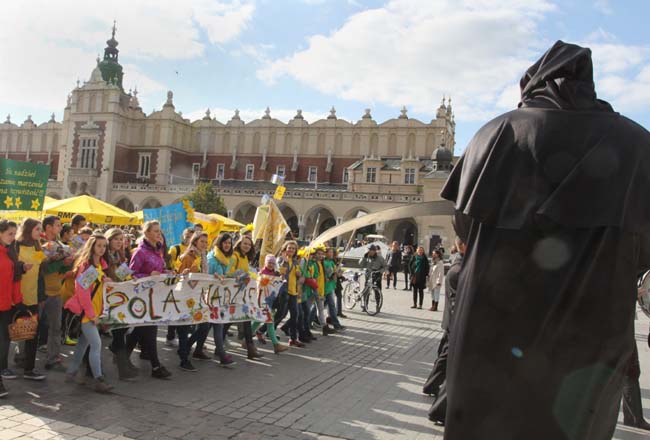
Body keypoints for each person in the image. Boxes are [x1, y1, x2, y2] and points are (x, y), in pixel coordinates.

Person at [439, 41, 650, 440]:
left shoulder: (496, 134)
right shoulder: (637, 144)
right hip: (590, 336)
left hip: (494, 326)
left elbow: (464, 227)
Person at [63, 234, 113, 393]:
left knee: (83, 344)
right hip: (88, 314)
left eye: (104, 246)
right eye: (99, 245)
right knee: (96, 345)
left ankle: (71, 373)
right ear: (92, 247)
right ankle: (99, 380)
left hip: (94, 312)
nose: (102, 248)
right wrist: (92, 315)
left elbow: (96, 287)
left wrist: (105, 280)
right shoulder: (88, 266)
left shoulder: (99, 266)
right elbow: (82, 292)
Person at [424, 237, 465, 424]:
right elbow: (457, 303)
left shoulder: (460, 266)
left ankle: (432, 389)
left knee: (446, 358)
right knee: (450, 362)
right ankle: (438, 408)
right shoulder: (460, 270)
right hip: (457, 325)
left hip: (454, 324)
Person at [126, 221, 171, 379]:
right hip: (142, 297)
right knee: (150, 329)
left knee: (141, 329)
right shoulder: (140, 252)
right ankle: (156, 366)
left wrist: (167, 272)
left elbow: (158, 271)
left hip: (155, 295)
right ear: (146, 233)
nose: (159, 234)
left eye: (160, 231)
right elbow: (130, 275)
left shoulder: (158, 251)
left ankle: (122, 354)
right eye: (156, 231)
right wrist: (148, 276)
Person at [175, 231, 214, 371]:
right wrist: (183, 273)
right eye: (202, 241)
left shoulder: (203, 257)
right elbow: (177, 274)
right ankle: (184, 359)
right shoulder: (188, 256)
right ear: (195, 241)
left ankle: (184, 348)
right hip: (185, 297)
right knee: (184, 328)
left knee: (204, 324)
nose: (204, 244)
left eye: (206, 241)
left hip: (198, 296)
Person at [14, 218, 46, 381]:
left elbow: (41, 273)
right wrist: (21, 268)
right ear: (28, 229)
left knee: (32, 335)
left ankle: (29, 369)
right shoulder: (16, 246)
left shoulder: (38, 247)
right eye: (37, 229)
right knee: (12, 335)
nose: (39, 232)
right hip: (16, 299)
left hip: (33, 298)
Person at [104, 228, 138, 381]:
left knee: (121, 330)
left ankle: (122, 363)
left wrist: (133, 278)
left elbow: (123, 274)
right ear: (109, 240)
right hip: (105, 299)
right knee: (95, 338)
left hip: (118, 298)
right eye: (116, 239)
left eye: (121, 239)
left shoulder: (120, 255)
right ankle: (123, 368)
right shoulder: (104, 256)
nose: (119, 242)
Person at [41, 215, 74, 371]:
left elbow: (60, 270)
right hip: (40, 292)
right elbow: (44, 270)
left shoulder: (60, 244)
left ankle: (53, 358)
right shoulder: (40, 244)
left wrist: (69, 264)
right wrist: (62, 262)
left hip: (56, 291)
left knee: (56, 327)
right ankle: (23, 358)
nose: (61, 228)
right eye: (58, 225)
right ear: (48, 227)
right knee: (32, 326)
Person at [0, 220, 27, 397]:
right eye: (10, 233)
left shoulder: (11, 252)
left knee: (3, 344)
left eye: (14, 233)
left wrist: (19, 302)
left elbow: (15, 280)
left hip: (6, 306)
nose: (13, 237)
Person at [205, 233, 235, 365]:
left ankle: (192, 349)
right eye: (225, 242)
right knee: (213, 325)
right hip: (209, 296)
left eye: (229, 243)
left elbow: (226, 275)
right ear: (219, 243)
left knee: (211, 326)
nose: (227, 245)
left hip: (219, 296)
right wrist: (214, 276)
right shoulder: (212, 258)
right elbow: (205, 276)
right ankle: (222, 354)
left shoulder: (227, 259)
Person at [165, 227, 194, 348]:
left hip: (188, 286)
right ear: (183, 236)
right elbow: (169, 264)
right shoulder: (175, 248)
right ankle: (171, 336)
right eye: (187, 236)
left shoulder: (194, 251)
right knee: (174, 309)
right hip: (175, 284)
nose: (188, 238)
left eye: (191, 237)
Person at [256, 255, 289, 354]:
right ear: (265, 263)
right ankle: (276, 344)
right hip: (262, 301)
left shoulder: (275, 273)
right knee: (270, 321)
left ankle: (246, 339)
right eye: (269, 262)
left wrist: (281, 279)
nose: (271, 265)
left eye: (272, 263)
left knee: (257, 321)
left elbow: (278, 286)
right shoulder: (261, 273)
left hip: (271, 302)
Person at [277, 241, 305, 347]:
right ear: (285, 248)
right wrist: (284, 262)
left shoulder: (294, 261)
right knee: (281, 314)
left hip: (293, 291)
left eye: (293, 249)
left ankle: (293, 339)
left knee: (295, 315)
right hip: (284, 291)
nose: (291, 250)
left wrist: (299, 275)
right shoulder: (281, 259)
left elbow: (298, 273)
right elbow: (281, 273)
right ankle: (262, 330)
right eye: (289, 248)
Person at [359, 245, 387, 311]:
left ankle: (378, 305)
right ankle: (365, 305)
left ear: (374, 251)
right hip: (368, 275)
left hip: (377, 275)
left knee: (377, 291)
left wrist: (381, 271)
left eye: (371, 250)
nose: (369, 252)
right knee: (366, 291)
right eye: (368, 250)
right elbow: (360, 264)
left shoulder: (380, 258)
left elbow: (385, 266)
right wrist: (364, 257)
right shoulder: (366, 256)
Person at [323, 248, 344, 331]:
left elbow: (336, 275)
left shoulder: (332, 262)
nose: (331, 254)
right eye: (329, 252)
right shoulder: (325, 263)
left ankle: (336, 324)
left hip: (331, 286)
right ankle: (336, 324)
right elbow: (330, 275)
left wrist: (339, 272)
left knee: (330, 306)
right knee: (327, 306)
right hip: (326, 287)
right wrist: (334, 274)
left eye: (332, 252)